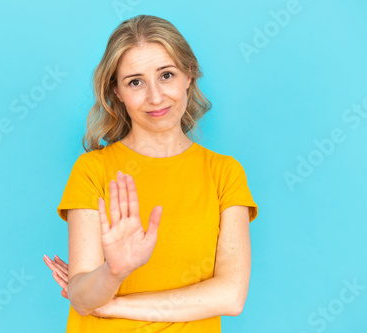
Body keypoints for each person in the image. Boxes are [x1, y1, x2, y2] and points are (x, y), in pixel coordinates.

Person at [43, 14, 258, 332]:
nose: (155, 97)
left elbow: (231, 296)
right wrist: (114, 272)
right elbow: (81, 297)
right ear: (116, 91)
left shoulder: (224, 173)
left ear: (189, 75)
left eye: (166, 75)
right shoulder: (93, 170)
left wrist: (114, 305)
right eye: (135, 82)